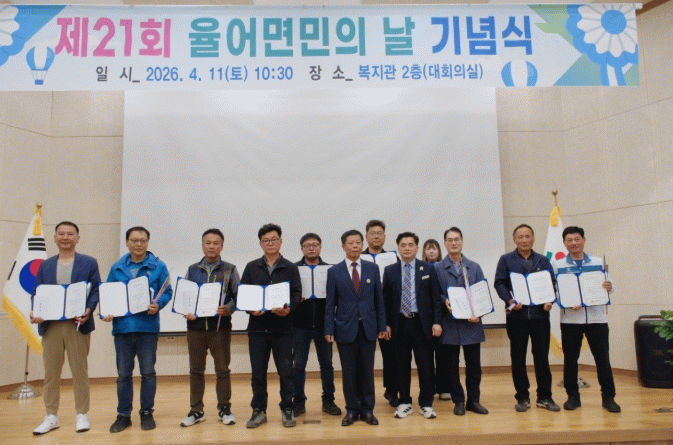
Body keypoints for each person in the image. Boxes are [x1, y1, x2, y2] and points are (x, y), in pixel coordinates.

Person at [30, 221, 101, 435]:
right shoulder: (45, 265)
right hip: (51, 326)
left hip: (77, 325)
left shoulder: (89, 262)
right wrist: (35, 312)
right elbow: (37, 292)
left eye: (70, 234)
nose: (65, 237)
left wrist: (89, 309)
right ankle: (51, 416)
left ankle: (82, 414)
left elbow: (96, 290)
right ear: (54, 238)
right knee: (51, 373)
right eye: (61, 233)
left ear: (77, 238)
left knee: (80, 371)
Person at [104, 226, 173, 433]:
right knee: (123, 374)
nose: (139, 244)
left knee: (148, 372)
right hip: (123, 328)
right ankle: (123, 415)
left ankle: (146, 412)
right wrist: (106, 312)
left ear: (148, 242)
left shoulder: (158, 266)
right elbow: (108, 294)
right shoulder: (117, 267)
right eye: (134, 240)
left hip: (147, 328)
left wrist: (158, 305)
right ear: (127, 242)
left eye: (143, 240)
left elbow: (167, 291)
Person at [552, 226, 620, 413]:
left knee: (602, 359)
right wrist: (566, 302)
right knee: (570, 360)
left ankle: (608, 397)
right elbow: (555, 291)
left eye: (577, 239)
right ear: (564, 243)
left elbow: (609, 285)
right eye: (569, 240)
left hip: (597, 319)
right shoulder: (558, 265)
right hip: (571, 320)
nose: (574, 243)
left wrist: (609, 286)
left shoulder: (598, 261)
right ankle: (573, 396)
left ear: (583, 240)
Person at [241, 223, 302, 428]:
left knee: (286, 372)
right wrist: (251, 309)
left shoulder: (290, 267)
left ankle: (287, 408)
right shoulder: (251, 267)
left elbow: (296, 293)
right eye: (266, 240)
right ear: (260, 244)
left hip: (283, 329)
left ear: (281, 242)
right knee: (258, 373)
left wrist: (289, 309)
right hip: (257, 329)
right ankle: (259, 410)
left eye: (274, 239)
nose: (270, 243)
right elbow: (244, 294)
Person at [494, 224, 560, 412]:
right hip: (517, 317)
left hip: (540, 317)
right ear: (514, 240)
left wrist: (550, 301)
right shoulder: (506, 260)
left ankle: (544, 397)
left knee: (542, 358)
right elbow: (499, 283)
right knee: (518, 358)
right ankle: (522, 397)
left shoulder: (542, 260)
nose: (524, 240)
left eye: (528, 236)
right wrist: (510, 300)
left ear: (533, 238)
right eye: (520, 237)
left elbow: (552, 284)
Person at [325, 229, 387, 427]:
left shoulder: (372, 268)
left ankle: (368, 410)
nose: (354, 246)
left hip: (368, 327)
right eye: (350, 243)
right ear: (343, 246)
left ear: (362, 244)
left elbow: (379, 300)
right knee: (349, 372)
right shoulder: (334, 271)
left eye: (358, 242)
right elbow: (330, 304)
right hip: (345, 328)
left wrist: (382, 324)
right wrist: (329, 329)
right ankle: (352, 410)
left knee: (367, 371)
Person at [180, 228, 240, 427]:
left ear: (222, 246)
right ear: (202, 245)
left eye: (215, 243)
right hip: (195, 328)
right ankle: (196, 410)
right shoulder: (192, 270)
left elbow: (238, 296)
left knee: (222, 370)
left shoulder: (230, 270)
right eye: (208, 243)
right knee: (196, 371)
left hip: (219, 329)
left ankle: (224, 408)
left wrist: (228, 308)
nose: (211, 246)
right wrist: (186, 310)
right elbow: (185, 298)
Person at [383, 232, 442, 419]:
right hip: (399, 324)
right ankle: (404, 402)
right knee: (401, 365)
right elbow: (385, 301)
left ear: (417, 248)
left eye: (410, 245)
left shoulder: (428, 268)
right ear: (398, 248)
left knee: (425, 365)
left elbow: (435, 299)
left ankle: (426, 403)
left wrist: (437, 322)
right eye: (403, 245)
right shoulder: (390, 270)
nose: (407, 248)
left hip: (422, 324)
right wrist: (386, 324)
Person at [434, 228, 489, 416]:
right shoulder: (438, 268)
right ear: (445, 243)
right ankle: (458, 400)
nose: (453, 243)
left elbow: (482, 293)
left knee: (474, 365)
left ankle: (474, 401)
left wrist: (479, 313)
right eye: (449, 240)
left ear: (462, 241)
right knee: (451, 366)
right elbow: (434, 294)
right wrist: (444, 300)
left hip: (472, 322)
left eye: (457, 239)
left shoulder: (474, 267)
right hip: (449, 322)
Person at [292, 233, 341, 417]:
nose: (311, 248)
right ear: (302, 249)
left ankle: (328, 400)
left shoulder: (330, 270)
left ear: (320, 247)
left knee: (326, 364)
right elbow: (287, 295)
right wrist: (296, 299)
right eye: (307, 245)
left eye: (314, 245)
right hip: (299, 325)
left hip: (323, 325)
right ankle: (298, 401)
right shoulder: (293, 269)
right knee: (298, 365)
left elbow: (337, 296)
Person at [363, 219, 399, 407]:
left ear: (384, 237)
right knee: (363, 357)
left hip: (387, 313)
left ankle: (392, 390)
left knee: (391, 355)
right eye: (372, 233)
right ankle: (363, 393)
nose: (376, 237)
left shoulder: (393, 258)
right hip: (365, 314)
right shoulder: (358, 258)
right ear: (366, 236)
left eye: (379, 233)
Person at [422, 239, 451, 401]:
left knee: (443, 355)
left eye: (434, 249)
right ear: (424, 252)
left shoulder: (442, 268)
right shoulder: (421, 268)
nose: (431, 252)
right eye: (428, 249)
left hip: (443, 317)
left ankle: (444, 387)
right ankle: (429, 388)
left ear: (439, 251)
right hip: (425, 319)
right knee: (426, 357)